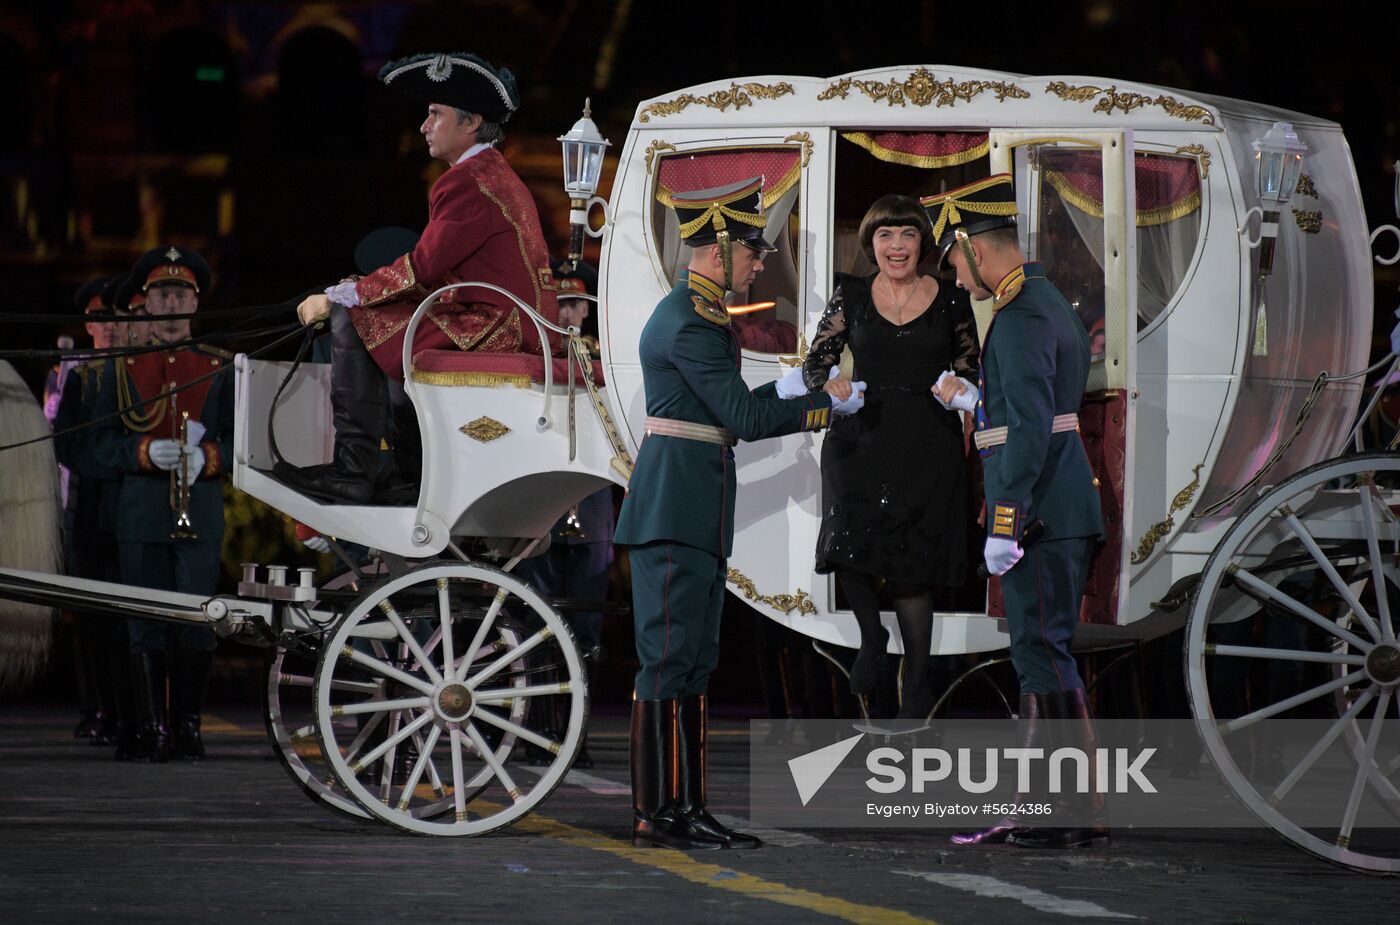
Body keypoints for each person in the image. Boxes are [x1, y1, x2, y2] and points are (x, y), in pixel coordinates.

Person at [615, 176, 865, 850]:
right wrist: (825, 406)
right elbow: (745, 420)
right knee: (668, 660)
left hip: (693, 504)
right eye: (753, 251)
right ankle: (656, 810)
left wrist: (788, 388)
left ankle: (684, 804)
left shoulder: (699, 315)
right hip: (676, 507)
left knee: (693, 660)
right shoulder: (690, 321)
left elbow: (730, 404)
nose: (759, 264)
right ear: (717, 249)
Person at [283, 52, 560, 504]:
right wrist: (362, 290)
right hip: (517, 324)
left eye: (435, 114)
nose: (424, 126)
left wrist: (343, 297)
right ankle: (407, 469)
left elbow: (423, 266)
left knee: (353, 319)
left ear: (472, 122)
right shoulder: (492, 173)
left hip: (499, 327)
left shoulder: (468, 180)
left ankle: (354, 470)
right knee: (391, 318)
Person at [925, 174, 1107, 849]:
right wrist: (978, 402)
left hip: (1040, 511)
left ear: (976, 248)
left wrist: (1004, 522)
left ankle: (1065, 810)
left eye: (954, 260)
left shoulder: (1023, 313)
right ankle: (1051, 805)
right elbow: (1035, 409)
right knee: (1042, 651)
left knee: (1041, 652)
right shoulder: (1043, 300)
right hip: (1056, 504)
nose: (954, 274)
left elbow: (1030, 431)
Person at [801, 195, 980, 725]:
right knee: (848, 546)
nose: (896, 245)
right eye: (885, 235)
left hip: (928, 445)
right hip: (859, 439)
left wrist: (961, 386)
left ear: (922, 244)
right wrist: (829, 382)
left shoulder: (952, 299)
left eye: (907, 234)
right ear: (870, 243)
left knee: (912, 569)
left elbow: (972, 367)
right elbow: (815, 362)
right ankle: (871, 636)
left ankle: (917, 685)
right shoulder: (852, 294)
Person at [81, 246, 235, 763]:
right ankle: (152, 729)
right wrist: (141, 452)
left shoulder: (219, 367)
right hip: (142, 514)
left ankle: (187, 727)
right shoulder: (121, 369)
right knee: (143, 623)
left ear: (195, 302)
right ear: (146, 303)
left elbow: (241, 443)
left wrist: (210, 457)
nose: (171, 303)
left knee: (197, 621)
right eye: (162, 294)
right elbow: (93, 447)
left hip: (200, 513)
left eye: (180, 294)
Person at [518, 261, 613, 769]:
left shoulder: (604, 359)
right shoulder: (534, 358)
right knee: (536, 622)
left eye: (576, 305)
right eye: (560, 305)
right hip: (543, 507)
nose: (568, 314)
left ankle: (576, 734)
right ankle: (537, 731)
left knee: (587, 631)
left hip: (591, 511)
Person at [49, 277, 123, 744]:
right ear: (88, 324)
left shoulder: (131, 369)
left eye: (114, 316)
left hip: (121, 500)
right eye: (99, 318)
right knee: (87, 615)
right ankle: (94, 705)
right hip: (80, 502)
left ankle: (121, 709)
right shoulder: (71, 371)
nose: (108, 326)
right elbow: (60, 439)